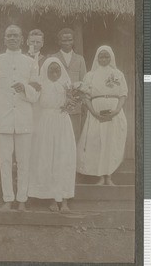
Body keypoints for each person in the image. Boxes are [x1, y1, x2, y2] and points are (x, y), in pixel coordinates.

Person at [0, 25, 39, 211]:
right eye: (9, 35)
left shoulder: (30, 62)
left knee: (24, 161)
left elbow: (36, 94)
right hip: (3, 119)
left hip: (24, 119)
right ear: (4, 39)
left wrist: (25, 88)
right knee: (5, 160)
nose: (12, 38)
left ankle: (22, 199)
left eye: (16, 35)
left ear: (22, 38)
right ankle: (8, 198)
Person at [28, 57, 76, 213]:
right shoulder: (41, 86)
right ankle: (51, 198)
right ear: (45, 71)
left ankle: (64, 199)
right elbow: (32, 101)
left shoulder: (67, 86)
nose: (54, 73)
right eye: (51, 71)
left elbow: (73, 102)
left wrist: (71, 101)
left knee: (63, 158)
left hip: (62, 123)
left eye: (57, 70)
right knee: (47, 158)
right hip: (46, 124)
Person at [77, 45, 128, 185]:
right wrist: (93, 112)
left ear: (111, 57)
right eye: (101, 56)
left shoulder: (118, 74)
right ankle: (100, 176)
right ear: (97, 57)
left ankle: (109, 175)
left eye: (106, 56)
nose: (104, 59)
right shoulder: (90, 75)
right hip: (95, 113)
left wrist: (117, 110)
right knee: (97, 142)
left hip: (114, 112)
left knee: (111, 142)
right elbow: (86, 96)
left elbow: (123, 94)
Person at [52, 28, 87, 141]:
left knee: (74, 135)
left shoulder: (80, 59)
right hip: (58, 103)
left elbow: (83, 82)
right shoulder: (53, 58)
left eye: (70, 40)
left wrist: (78, 100)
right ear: (59, 42)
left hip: (75, 105)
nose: (67, 43)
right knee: (58, 136)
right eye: (64, 40)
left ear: (73, 41)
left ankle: (73, 158)